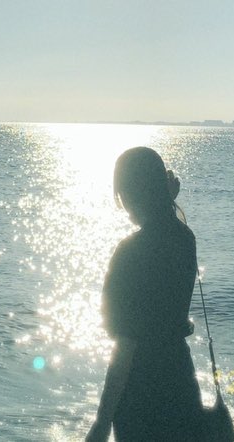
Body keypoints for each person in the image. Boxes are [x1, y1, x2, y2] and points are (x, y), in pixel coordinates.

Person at [86, 147, 204, 441]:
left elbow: (126, 345)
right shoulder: (184, 238)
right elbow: (165, 228)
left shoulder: (130, 252)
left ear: (130, 193)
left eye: (122, 194)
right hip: (180, 381)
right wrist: (167, 198)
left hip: (141, 395)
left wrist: (102, 422)